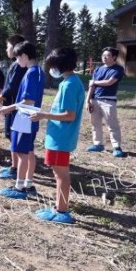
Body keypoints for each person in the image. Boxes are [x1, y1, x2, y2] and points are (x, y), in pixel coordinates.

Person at [32, 48, 85, 224]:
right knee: (59, 174)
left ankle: (61, 210)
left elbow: (70, 115)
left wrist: (44, 115)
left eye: (52, 66)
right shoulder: (71, 82)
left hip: (60, 138)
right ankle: (58, 207)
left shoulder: (69, 85)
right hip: (58, 137)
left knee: (61, 175)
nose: (51, 70)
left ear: (59, 66)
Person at [0, 41, 45, 200]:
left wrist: (8, 108)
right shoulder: (36, 71)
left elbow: (28, 101)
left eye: (18, 57)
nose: (17, 61)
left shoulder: (32, 73)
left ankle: (19, 187)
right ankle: (29, 183)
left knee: (21, 152)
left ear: (24, 56)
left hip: (26, 118)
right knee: (29, 151)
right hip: (28, 118)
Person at [0, 34, 27, 179]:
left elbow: (12, 86)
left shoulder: (19, 66)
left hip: (15, 107)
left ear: (15, 47)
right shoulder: (15, 64)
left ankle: (17, 169)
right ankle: (14, 166)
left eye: (8, 46)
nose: (6, 49)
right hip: (10, 106)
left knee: (14, 137)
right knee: (10, 135)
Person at [86, 47, 125, 158]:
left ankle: (117, 147)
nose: (104, 57)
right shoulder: (98, 69)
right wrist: (87, 100)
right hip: (95, 100)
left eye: (107, 55)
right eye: (103, 55)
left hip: (109, 101)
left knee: (112, 125)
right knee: (95, 124)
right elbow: (91, 86)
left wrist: (94, 82)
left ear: (114, 57)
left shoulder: (118, 69)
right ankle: (98, 144)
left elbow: (109, 82)